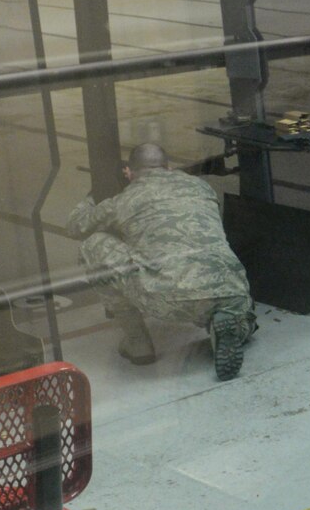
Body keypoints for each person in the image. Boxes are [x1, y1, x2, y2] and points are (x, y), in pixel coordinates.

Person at [69, 144, 257, 381]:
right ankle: (234, 324)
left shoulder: (122, 200)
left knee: (94, 245)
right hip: (231, 285)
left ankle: (138, 342)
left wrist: (91, 197)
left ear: (128, 172)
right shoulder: (200, 186)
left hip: (167, 294)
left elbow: (76, 226)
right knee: (213, 281)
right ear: (168, 168)